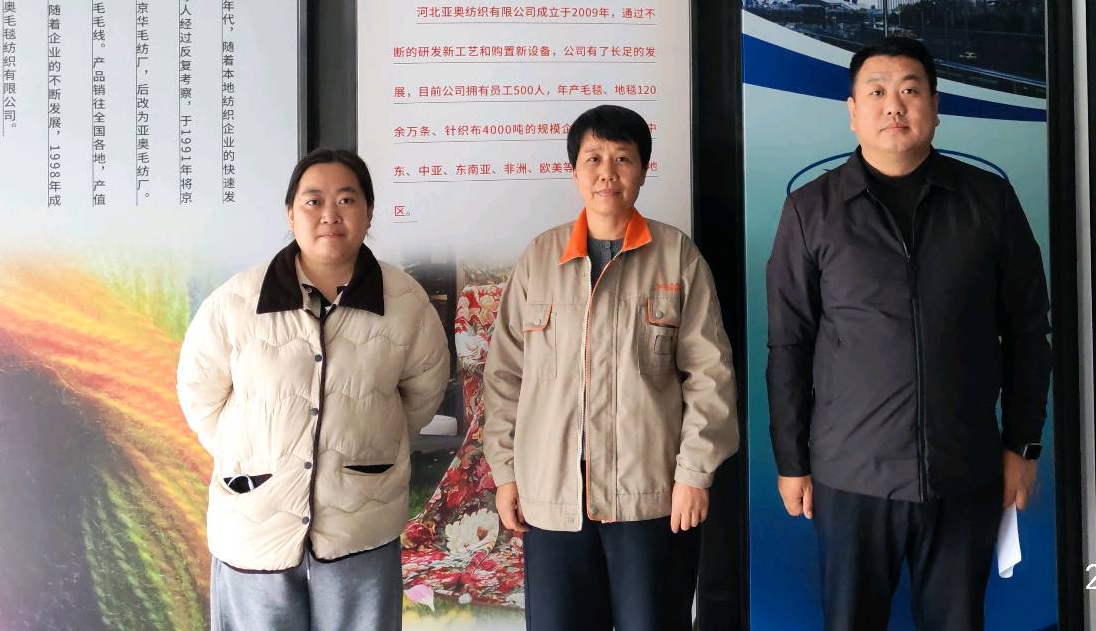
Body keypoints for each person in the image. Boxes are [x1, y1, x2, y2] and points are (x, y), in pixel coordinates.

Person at [766, 38, 1051, 631]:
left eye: (910, 90)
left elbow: (1029, 331)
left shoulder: (988, 201)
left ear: (935, 106)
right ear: (852, 111)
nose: (894, 104)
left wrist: (1023, 446)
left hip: (965, 468)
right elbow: (789, 345)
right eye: (876, 91)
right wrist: (791, 461)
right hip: (851, 476)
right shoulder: (811, 211)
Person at [482, 104, 739, 631]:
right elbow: (505, 376)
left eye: (623, 158)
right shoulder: (540, 259)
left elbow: (710, 375)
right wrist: (506, 474)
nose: (607, 172)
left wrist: (694, 475)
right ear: (574, 170)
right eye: (593, 158)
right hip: (553, 496)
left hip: (650, 495)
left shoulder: (676, 256)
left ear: (642, 170)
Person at [177, 148, 451, 631]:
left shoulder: (405, 302)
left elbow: (422, 395)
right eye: (313, 201)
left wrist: (364, 443)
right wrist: (258, 455)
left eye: (346, 200)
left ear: (369, 212)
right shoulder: (235, 302)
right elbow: (201, 397)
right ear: (291, 214)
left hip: (359, 525)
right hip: (255, 522)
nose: (330, 214)